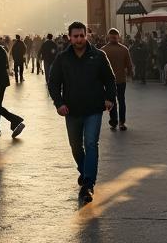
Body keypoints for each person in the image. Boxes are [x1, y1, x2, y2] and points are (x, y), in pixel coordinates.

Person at [48, 21, 116, 203]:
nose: (79, 39)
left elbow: (110, 79)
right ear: (69, 37)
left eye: (82, 35)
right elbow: (53, 82)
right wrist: (59, 103)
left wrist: (109, 98)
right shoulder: (62, 58)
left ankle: (88, 183)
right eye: (75, 36)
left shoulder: (99, 56)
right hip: (71, 110)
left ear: (87, 35)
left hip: (94, 108)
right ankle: (84, 169)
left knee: (91, 143)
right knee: (76, 146)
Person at [102, 27, 134, 131]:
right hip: (121, 79)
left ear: (108, 37)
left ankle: (113, 121)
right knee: (121, 100)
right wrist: (130, 75)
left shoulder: (103, 50)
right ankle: (122, 122)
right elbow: (129, 65)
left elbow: (99, 67)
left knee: (112, 101)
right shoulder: (124, 49)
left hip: (108, 81)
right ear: (118, 37)